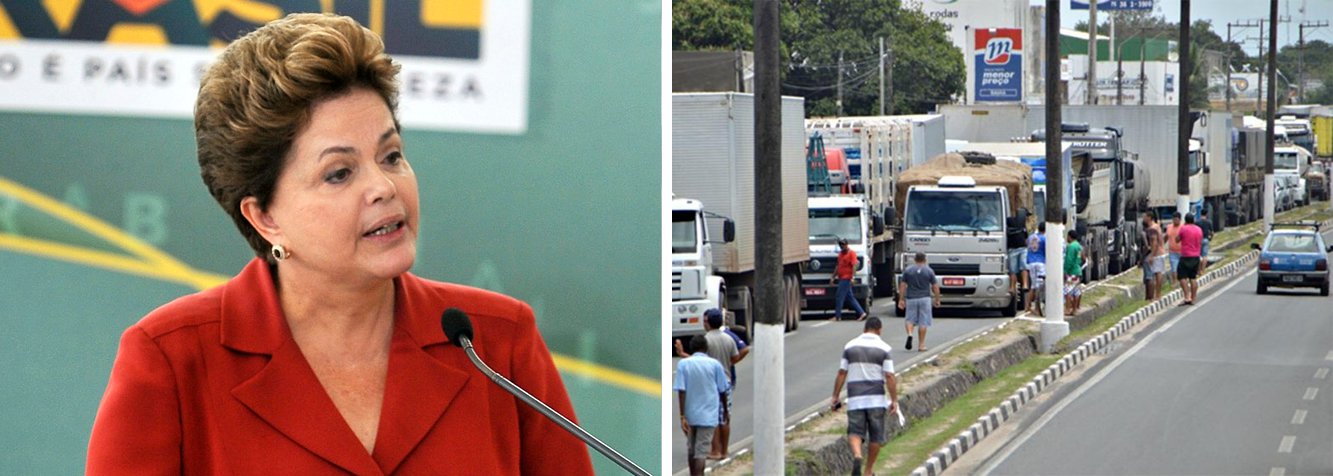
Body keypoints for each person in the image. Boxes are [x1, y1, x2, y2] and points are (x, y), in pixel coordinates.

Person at [86, 14, 593, 474]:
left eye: (391, 155)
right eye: (339, 173)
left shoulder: (496, 343)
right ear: (264, 217)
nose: (384, 187)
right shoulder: (173, 361)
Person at [830, 317, 898, 476]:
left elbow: (842, 372)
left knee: (855, 432)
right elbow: (889, 376)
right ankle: (868, 471)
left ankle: (857, 455)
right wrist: (894, 400)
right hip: (876, 400)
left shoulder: (850, 346)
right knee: (876, 436)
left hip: (855, 399)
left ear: (864, 329)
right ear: (879, 330)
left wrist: (835, 396)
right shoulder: (884, 348)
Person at [675, 335, 730, 476]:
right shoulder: (715, 364)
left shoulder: (683, 364)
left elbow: (681, 391)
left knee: (691, 448)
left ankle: (693, 474)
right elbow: (723, 390)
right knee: (701, 450)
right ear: (706, 348)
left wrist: (682, 416)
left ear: (691, 348)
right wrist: (725, 411)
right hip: (708, 415)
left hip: (690, 414)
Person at [702, 310, 744, 459]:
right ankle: (724, 450)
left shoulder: (705, 340)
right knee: (725, 417)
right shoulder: (728, 339)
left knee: (713, 418)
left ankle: (715, 450)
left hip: (710, 383)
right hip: (726, 380)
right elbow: (736, 356)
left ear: (708, 323)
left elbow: (700, 360)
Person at [897, 252, 940, 352]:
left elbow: (903, 285)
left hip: (911, 298)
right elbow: (935, 286)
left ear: (915, 259)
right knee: (923, 321)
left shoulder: (908, 270)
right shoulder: (929, 271)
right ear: (925, 260)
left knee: (909, 319)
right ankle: (921, 345)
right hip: (925, 298)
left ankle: (910, 334)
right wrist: (937, 299)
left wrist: (901, 299)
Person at [831, 238, 868, 321]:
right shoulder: (840, 254)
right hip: (841, 277)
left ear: (847, 245)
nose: (842, 246)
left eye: (843, 244)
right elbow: (838, 266)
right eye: (840, 245)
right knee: (850, 298)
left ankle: (837, 316)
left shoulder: (851, 253)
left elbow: (854, 265)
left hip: (846, 278)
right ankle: (862, 313)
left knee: (839, 296)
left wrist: (853, 277)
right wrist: (833, 277)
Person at [1176, 214, 1205, 305]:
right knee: (1193, 277)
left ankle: (1186, 296)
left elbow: (1177, 240)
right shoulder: (1199, 229)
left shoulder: (1183, 229)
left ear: (1185, 220)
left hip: (1185, 255)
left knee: (1182, 277)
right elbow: (1200, 241)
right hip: (1196, 255)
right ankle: (1193, 297)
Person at [1025, 223, 1047, 314]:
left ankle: (1028, 306)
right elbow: (1047, 251)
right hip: (1040, 262)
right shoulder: (1044, 239)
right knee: (1040, 285)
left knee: (1033, 285)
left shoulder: (1030, 238)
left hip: (1030, 262)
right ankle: (1037, 307)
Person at [1143, 211, 1166, 300]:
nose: (1144, 218)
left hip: (1157, 254)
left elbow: (1154, 243)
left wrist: (1152, 255)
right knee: (1158, 273)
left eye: (1145, 216)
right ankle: (1158, 294)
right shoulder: (1157, 227)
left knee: (1156, 274)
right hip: (1160, 252)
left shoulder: (1152, 229)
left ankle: (1157, 294)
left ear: (1149, 217)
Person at [1064, 230, 1085, 316]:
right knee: (1076, 291)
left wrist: (1065, 270)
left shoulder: (1071, 246)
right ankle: (1075, 309)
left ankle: (1068, 309)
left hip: (1071, 272)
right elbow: (1083, 258)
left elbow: (1069, 260)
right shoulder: (1079, 246)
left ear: (1069, 236)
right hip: (1078, 271)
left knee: (1068, 291)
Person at [1165, 213, 1183, 287]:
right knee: (1174, 268)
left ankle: (1182, 281)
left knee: (1181, 267)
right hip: (1172, 251)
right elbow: (1166, 236)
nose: (1175, 221)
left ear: (1180, 219)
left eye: (1177, 219)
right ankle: (1174, 282)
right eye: (1174, 219)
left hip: (1182, 251)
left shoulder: (1183, 227)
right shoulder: (1169, 227)